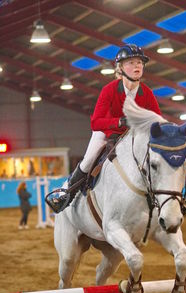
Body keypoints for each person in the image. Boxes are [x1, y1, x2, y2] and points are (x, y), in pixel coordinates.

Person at [47, 44, 161, 213]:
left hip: (134, 138)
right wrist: (119, 123)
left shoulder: (147, 93)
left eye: (139, 62)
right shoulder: (109, 90)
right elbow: (96, 122)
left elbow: (157, 122)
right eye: (131, 62)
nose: (137, 66)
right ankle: (66, 195)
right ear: (120, 68)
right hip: (107, 134)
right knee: (88, 160)